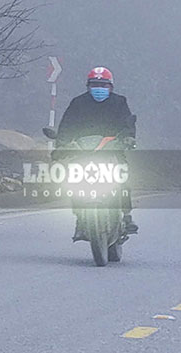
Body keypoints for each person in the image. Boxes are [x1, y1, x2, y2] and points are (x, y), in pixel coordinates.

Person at [55, 66, 138, 238]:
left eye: (103, 85)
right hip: (83, 153)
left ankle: (127, 215)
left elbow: (127, 124)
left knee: (122, 177)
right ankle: (80, 218)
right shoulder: (78, 103)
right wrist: (62, 143)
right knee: (74, 182)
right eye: (94, 84)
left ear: (111, 87)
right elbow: (66, 126)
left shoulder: (119, 102)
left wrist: (128, 138)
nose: (99, 88)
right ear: (88, 86)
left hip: (111, 151)